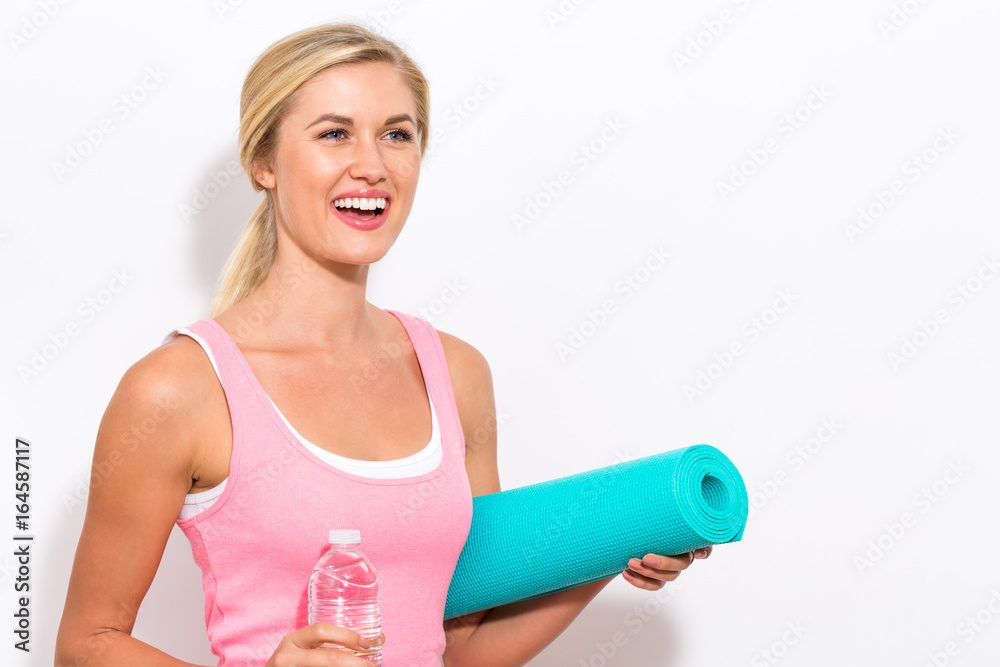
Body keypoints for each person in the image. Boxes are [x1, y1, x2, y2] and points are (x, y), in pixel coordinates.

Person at [54, 21, 712, 667]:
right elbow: (85, 645)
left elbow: (461, 645)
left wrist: (618, 542)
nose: (370, 165)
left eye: (397, 134)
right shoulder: (181, 389)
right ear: (263, 163)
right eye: (334, 133)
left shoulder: (454, 372)